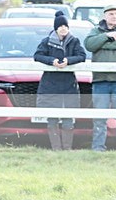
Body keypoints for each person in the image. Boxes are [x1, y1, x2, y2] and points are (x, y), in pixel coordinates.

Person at [33, 11, 86, 150]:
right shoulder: (46, 42)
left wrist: (69, 61)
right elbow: (38, 55)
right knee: (52, 118)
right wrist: (52, 61)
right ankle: (56, 148)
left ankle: (67, 148)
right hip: (50, 84)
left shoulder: (74, 41)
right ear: (56, 28)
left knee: (68, 118)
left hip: (68, 84)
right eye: (61, 26)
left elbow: (82, 55)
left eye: (65, 26)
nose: (63, 29)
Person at [84, 4, 116, 152]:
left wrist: (101, 44)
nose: (114, 16)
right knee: (100, 116)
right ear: (105, 16)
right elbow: (89, 45)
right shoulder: (95, 30)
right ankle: (98, 147)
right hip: (101, 79)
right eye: (111, 14)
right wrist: (107, 36)